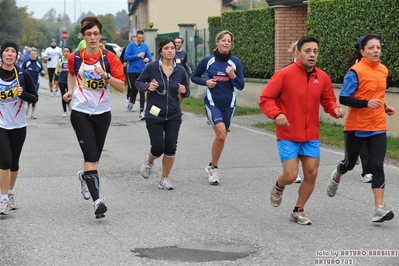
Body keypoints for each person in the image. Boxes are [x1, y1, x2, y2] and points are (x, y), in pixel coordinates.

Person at [259, 36, 345, 225]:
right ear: (298, 53)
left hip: (310, 135)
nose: (312, 55)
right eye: (308, 51)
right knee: (290, 176)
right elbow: (266, 98)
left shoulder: (322, 77)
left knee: (311, 173)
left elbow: (328, 99)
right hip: (288, 134)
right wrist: (276, 114)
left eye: (315, 51)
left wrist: (334, 109)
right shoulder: (284, 74)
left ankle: (298, 210)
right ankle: (279, 184)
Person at [326, 34, 395, 223]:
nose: (375, 51)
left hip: (378, 126)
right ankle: (336, 174)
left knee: (377, 165)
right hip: (357, 126)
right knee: (349, 163)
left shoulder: (383, 70)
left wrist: (384, 106)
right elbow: (344, 98)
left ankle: (379, 209)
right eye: (371, 48)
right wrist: (366, 104)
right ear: (362, 51)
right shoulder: (355, 72)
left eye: (378, 47)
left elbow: (377, 97)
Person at [62, 16, 125, 219]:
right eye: (88, 34)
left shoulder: (109, 58)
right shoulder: (75, 57)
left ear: (100, 35)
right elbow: (72, 73)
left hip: (102, 113)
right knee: (90, 156)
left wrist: (106, 76)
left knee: (94, 160)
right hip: (80, 111)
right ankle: (97, 201)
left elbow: (121, 87)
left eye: (96, 34)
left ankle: (84, 177)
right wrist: (70, 91)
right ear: (83, 36)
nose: (92, 37)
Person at [191, 30, 245, 185]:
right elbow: (194, 77)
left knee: (221, 138)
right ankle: (214, 168)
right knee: (221, 135)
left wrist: (233, 75)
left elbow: (241, 86)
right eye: (224, 40)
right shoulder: (208, 61)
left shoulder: (235, 62)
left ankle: (211, 165)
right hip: (212, 102)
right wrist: (206, 82)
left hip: (229, 104)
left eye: (229, 40)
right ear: (217, 42)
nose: (226, 43)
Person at [135, 37, 190, 190]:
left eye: (172, 48)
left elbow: (187, 90)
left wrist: (184, 91)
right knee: (158, 147)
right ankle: (149, 161)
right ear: (161, 51)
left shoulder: (180, 70)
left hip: (173, 114)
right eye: (166, 48)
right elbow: (138, 82)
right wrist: (147, 86)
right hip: (154, 113)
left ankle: (164, 179)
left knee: (171, 147)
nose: (170, 50)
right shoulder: (152, 67)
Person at [0, 40, 38, 215]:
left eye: (12, 51)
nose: (9, 54)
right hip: (1, 125)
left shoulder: (22, 74)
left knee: (14, 163)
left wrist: (23, 94)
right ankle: (3, 200)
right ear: (1, 55)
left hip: (18, 125)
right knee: (5, 160)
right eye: (6, 51)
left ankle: (10, 192)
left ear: (17, 55)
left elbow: (34, 98)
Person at [124, 29, 152, 118]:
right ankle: (131, 101)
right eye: (139, 38)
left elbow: (150, 56)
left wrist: (148, 59)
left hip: (142, 71)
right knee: (134, 89)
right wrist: (137, 56)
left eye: (142, 38)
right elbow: (126, 57)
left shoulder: (145, 46)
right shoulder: (131, 45)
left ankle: (141, 112)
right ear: (136, 37)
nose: (140, 40)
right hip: (131, 71)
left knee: (142, 91)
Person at [286, 40, 303, 184]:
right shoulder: (286, 70)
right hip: (290, 112)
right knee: (294, 141)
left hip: (306, 113)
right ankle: (294, 171)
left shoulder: (314, 70)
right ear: (295, 52)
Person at [22, 47, 45, 119]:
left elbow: (42, 73)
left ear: (37, 55)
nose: (33, 55)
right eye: (32, 54)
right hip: (27, 83)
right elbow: (21, 72)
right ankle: (28, 106)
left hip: (35, 82)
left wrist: (43, 73)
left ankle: (33, 113)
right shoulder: (26, 62)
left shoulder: (39, 62)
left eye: (34, 54)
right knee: (28, 96)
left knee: (34, 97)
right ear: (29, 55)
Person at [120, 35, 136, 109]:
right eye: (132, 41)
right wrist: (124, 62)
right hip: (128, 69)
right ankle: (128, 98)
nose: (134, 42)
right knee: (130, 86)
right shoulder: (127, 48)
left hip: (137, 69)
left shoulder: (138, 48)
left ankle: (132, 100)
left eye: (135, 41)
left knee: (135, 86)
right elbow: (122, 57)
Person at [55, 46, 72, 118]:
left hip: (69, 81)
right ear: (62, 52)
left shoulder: (72, 60)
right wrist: (58, 71)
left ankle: (68, 103)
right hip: (61, 80)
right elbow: (56, 71)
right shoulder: (60, 60)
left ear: (70, 52)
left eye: (67, 51)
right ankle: (64, 111)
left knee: (69, 95)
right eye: (64, 51)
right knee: (63, 95)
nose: (66, 53)